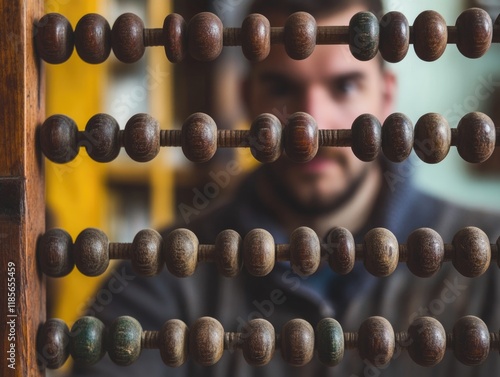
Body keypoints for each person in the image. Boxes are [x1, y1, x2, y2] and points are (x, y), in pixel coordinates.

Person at [72, 0, 500, 376]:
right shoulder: (160, 274)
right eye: (282, 87)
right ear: (246, 99)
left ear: (386, 97)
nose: (308, 125)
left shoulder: (486, 263)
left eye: (344, 86)